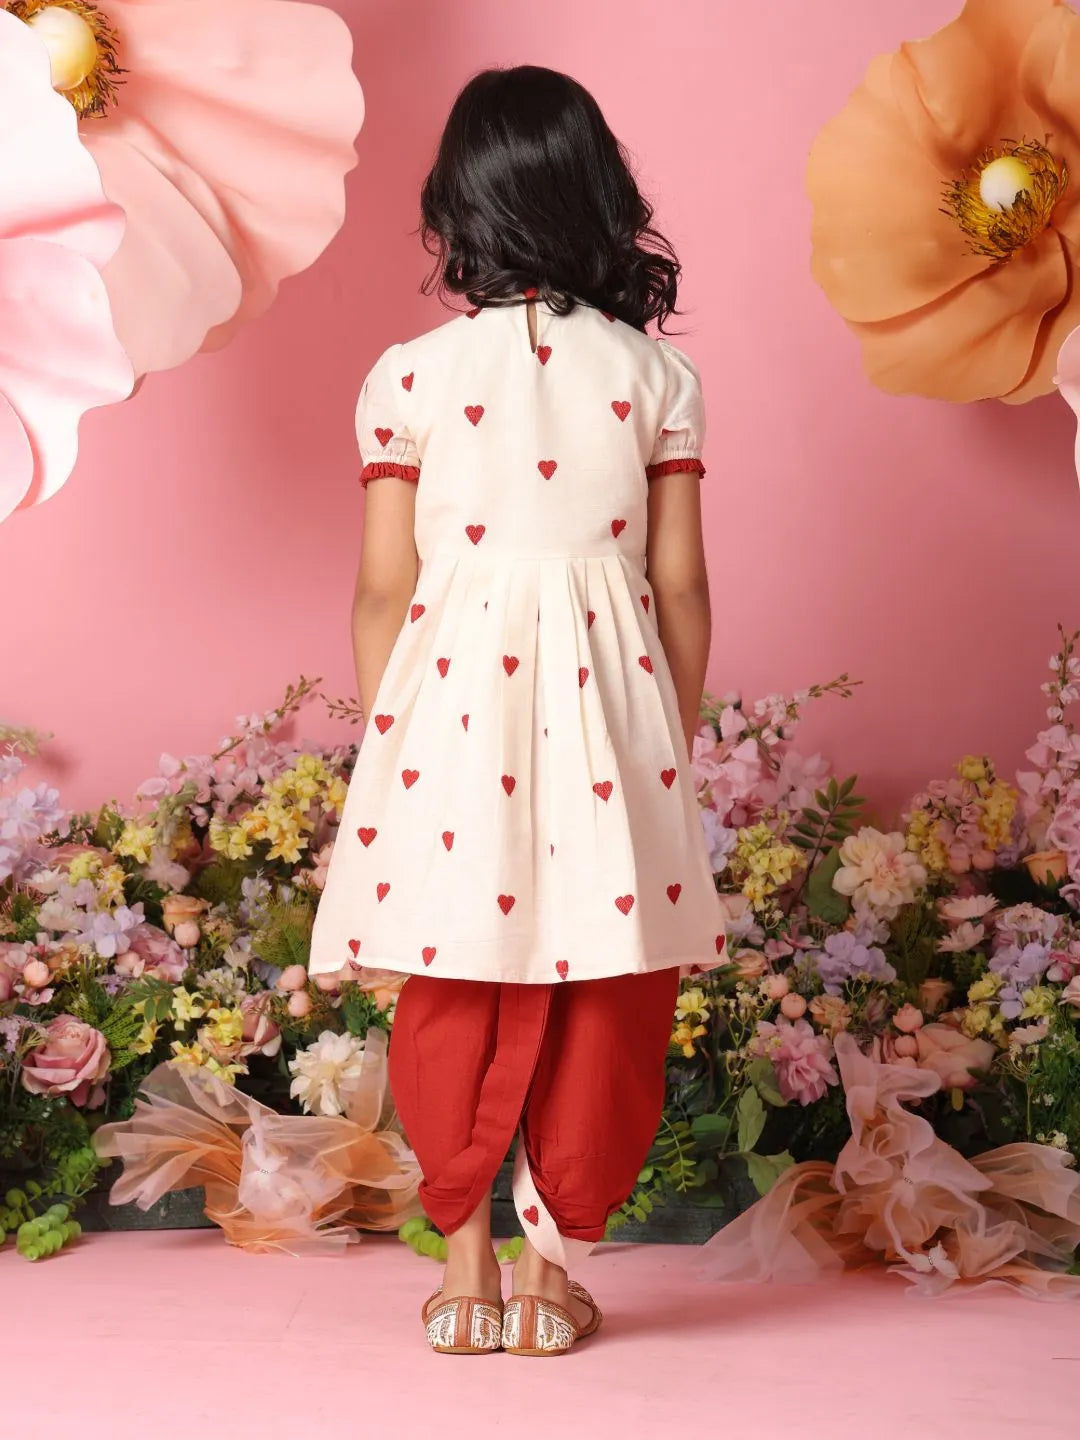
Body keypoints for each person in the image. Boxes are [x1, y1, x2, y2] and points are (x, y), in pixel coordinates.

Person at [307, 63, 726, 1355]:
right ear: (598, 196)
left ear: (459, 206)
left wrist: (397, 749)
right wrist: (672, 733)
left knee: (448, 975)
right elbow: (681, 586)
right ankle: (556, 1281)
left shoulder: (409, 377)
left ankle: (466, 1277)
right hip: (617, 714)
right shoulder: (654, 379)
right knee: (608, 982)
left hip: (446, 721)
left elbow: (386, 592)